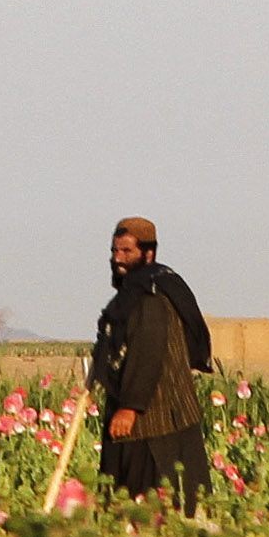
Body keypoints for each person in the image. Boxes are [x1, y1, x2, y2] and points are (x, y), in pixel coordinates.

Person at [87, 214, 213, 509]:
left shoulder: (151, 297)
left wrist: (130, 407)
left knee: (158, 498)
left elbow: (149, 353)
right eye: (114, 251)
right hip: (142, 414)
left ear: (148, 253)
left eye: (126, 251)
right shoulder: (133, 294)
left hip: (156, 417)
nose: (117, 259)